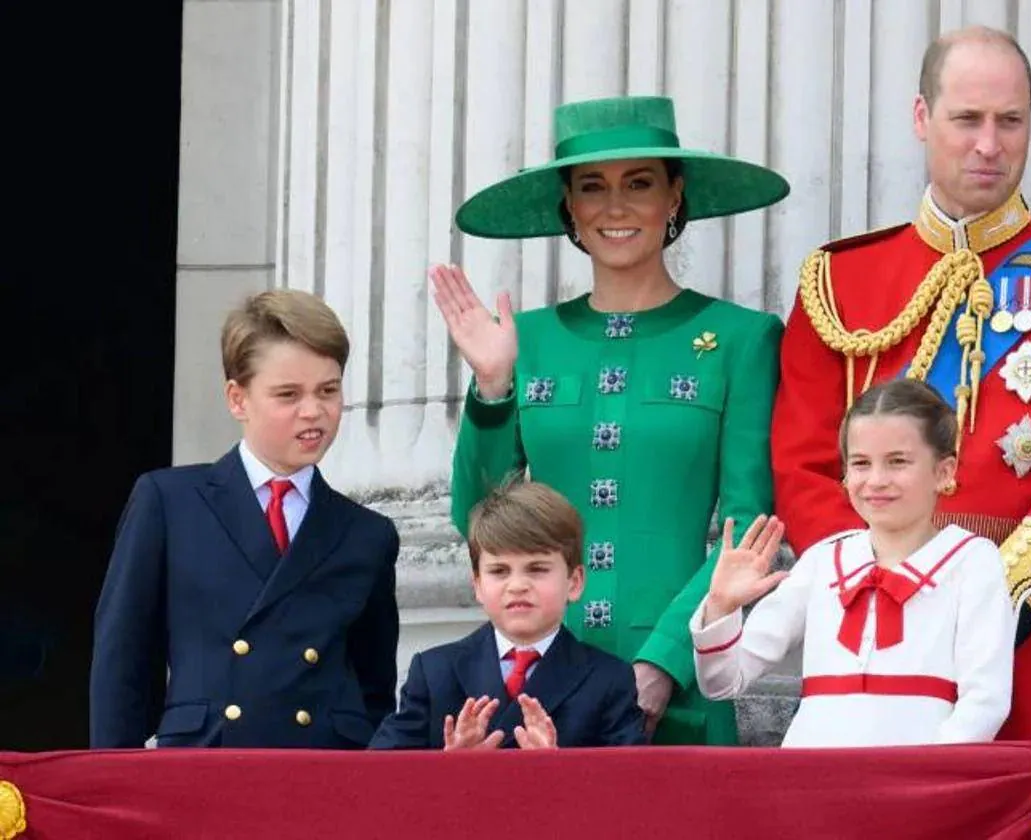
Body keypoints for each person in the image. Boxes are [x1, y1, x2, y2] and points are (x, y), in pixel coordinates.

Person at [771, 26, 1031, 742]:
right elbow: (803, 467)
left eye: (1009, 121)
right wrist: (879, 591)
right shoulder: (839, 280)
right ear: (922, 118)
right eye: (967, 120)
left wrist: (975, 601)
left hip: (1020, 634)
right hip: (871, 637)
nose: (989, 144)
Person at [435, 95, 790, 744]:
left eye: (640, 184)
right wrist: (491, 387)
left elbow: (748, 527)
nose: (616, 207)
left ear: (675, 197)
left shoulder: (741, 339)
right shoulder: (526, 338)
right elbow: (478, 519)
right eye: (592, 187)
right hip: (541, 680)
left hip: (678, 686)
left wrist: (662, 663)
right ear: (569, 206)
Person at [90, 290, 400, 749]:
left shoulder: (367, 534)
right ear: (238, 398)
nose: (313, 411)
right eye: (288, 395)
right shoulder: (169, 502)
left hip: (322, 773)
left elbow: (375, 691)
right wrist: (113, 791)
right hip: (206, 763)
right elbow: (123, 664)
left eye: (328, 390)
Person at [694, 380, 1015, 747]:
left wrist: (926, 781)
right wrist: (721, 606)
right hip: (810, 780)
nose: (876, 481)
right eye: (861, 464)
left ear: (944, 471)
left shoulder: (972, 560)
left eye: (898, 462)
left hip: (916, 783)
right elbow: (722, 682)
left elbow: (985, 702)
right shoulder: (823, 560)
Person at [369, 480, 645, 749]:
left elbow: (630, 785)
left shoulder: (609, 680)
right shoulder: (434, 673)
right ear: (477, 584)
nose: (517, 586)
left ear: (574, 582)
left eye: (537, 569)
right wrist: (449, 768)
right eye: (499, 571)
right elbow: (379, 776)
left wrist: (560, 771)